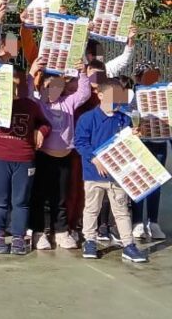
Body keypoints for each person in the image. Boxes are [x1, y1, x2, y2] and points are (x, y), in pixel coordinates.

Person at [0, 68, 51, 256]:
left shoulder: (30, 105)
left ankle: (18, 236)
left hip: (24, 160)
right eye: (8, 84)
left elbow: (45, 123)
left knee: (21, 201)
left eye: (17, 84)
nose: (13, 89)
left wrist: (41, 131)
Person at [75, 80, 148, 263]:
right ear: (100, 95)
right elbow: (80, 143)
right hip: (94, 174)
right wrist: (94, 158)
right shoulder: (87, 118)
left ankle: (128, 245)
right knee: (92, 208)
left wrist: (136, 136)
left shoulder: (124, 118)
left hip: (118, 175)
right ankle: (90, 241)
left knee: (121, 210)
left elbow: (128, 143)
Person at [29, 57, 91, 251]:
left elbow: (84, 92)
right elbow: (27, 92)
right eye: (49, 86)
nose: (53, 91)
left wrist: (82, 72)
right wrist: (32, 72)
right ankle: (38, 232)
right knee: (39, 196)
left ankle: (61, 231)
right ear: (42, 88)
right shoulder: (39, 103)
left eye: (57, 86)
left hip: (64, 157)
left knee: (61, 196)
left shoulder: (68, 102)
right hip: (43, 157)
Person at [131, 63, 166, 241]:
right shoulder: (133, 94)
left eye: (154, 75)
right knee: (139, 183)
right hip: (141, 145)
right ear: (138, 78)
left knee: (156, 184)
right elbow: (128, 116)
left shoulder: (166, 94)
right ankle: (136, 222)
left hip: (160, 145)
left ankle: (154, 222)